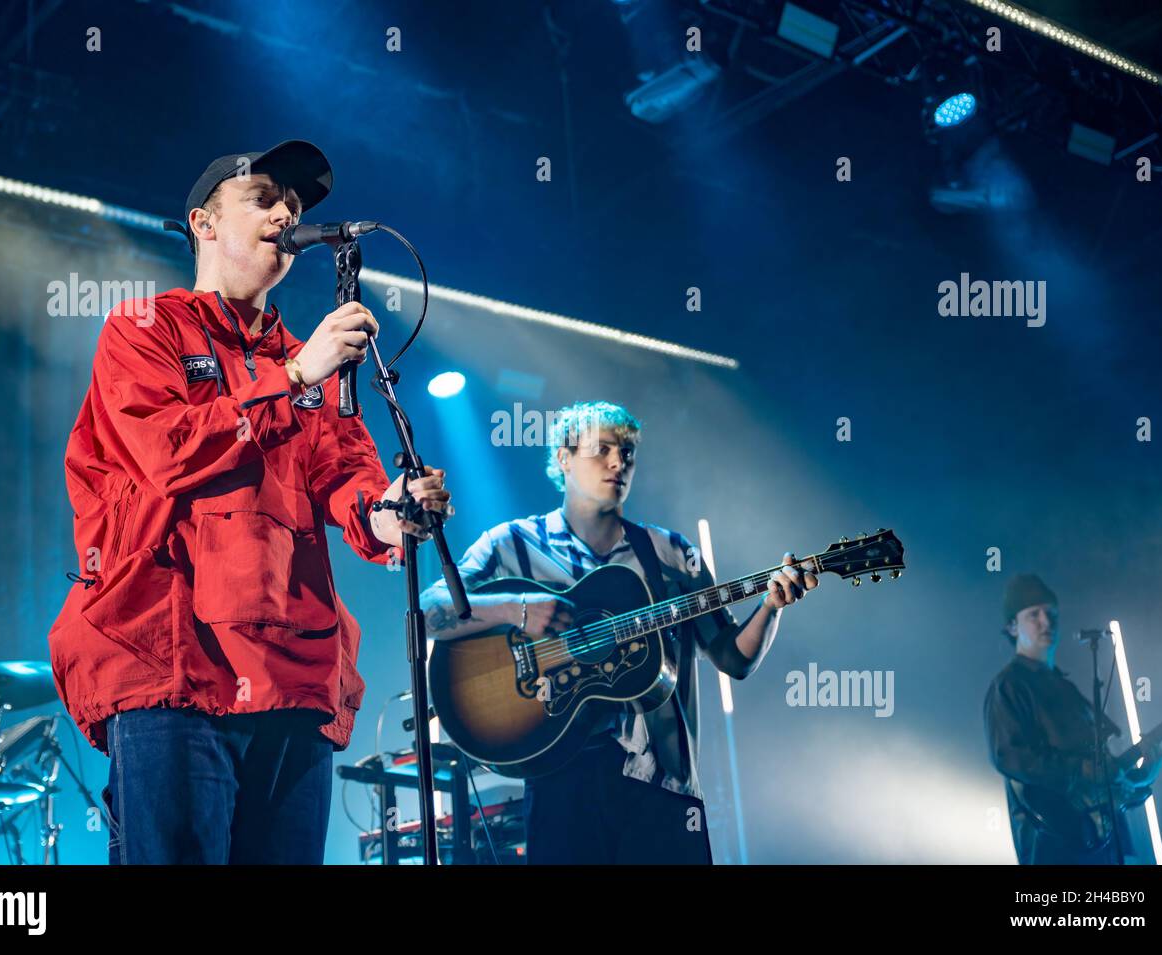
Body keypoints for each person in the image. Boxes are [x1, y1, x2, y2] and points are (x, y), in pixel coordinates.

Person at [47, 140, 451, 864]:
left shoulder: (311, 362)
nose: (286, 213)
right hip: (172, 667)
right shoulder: (145, 330)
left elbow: (349, 488)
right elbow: (170, 451)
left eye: (293, 205)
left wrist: (394, 508)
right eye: (264, 198)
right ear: (203, 223)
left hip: (293, 677)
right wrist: (297, 373)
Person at [419, 400, 817, 864]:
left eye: (626, 452)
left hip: (665, 786)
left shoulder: (669, 553)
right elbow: (429, 610)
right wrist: (518, 609)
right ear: (564, 458)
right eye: (601, 449)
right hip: (558, 784)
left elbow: (734, 660)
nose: (617, 462)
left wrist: (772, 604)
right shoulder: (512, 544)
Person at [984, 573, 1162, 864]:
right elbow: (1011, 757)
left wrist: (1138, 776)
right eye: (1034, 614)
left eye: (1051, 613)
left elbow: (1100, 767)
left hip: (1101, 840)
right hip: (1056, 843)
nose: (1046, 621)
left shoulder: (1065, 688)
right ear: (1012, 626)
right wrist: (1078, 771)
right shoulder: (1010, 686)